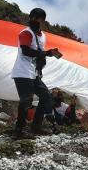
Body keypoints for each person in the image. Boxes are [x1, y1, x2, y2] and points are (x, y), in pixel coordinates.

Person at [11, 8, 63, 139]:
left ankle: (36, 126)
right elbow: (26, 51)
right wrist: (47, 53)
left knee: (46, 97)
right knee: (26, 100)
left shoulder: (42, 36)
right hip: (22, 72)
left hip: (34, 74)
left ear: (42, 20)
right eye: (33, 18)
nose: (35, 20)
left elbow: (39, 52)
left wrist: (44, 59)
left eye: (38, 18)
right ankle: (19, 130)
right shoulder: (25, 33)